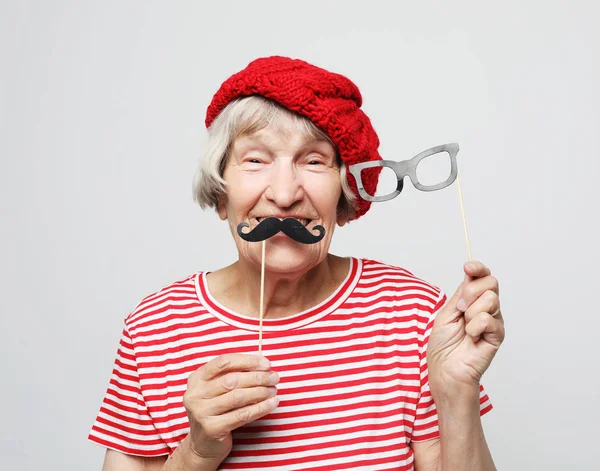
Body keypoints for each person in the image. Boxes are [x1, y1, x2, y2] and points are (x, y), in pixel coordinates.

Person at [90, 56, 505, 471]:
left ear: (345, 200)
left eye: (314, 161)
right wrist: (197, 452)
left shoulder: (412, 314)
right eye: (255, 160)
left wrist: (456, 394)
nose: (285, 195)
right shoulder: (155, 329)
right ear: (220, 195)